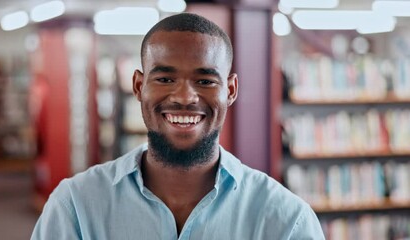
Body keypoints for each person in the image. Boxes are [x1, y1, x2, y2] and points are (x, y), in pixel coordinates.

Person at [31, 13, 325, 239]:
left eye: (205, 81)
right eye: (165, 79)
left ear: (231, 91)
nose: (185, 97)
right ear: (138, 86)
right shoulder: (75, 207)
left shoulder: (287, 220)